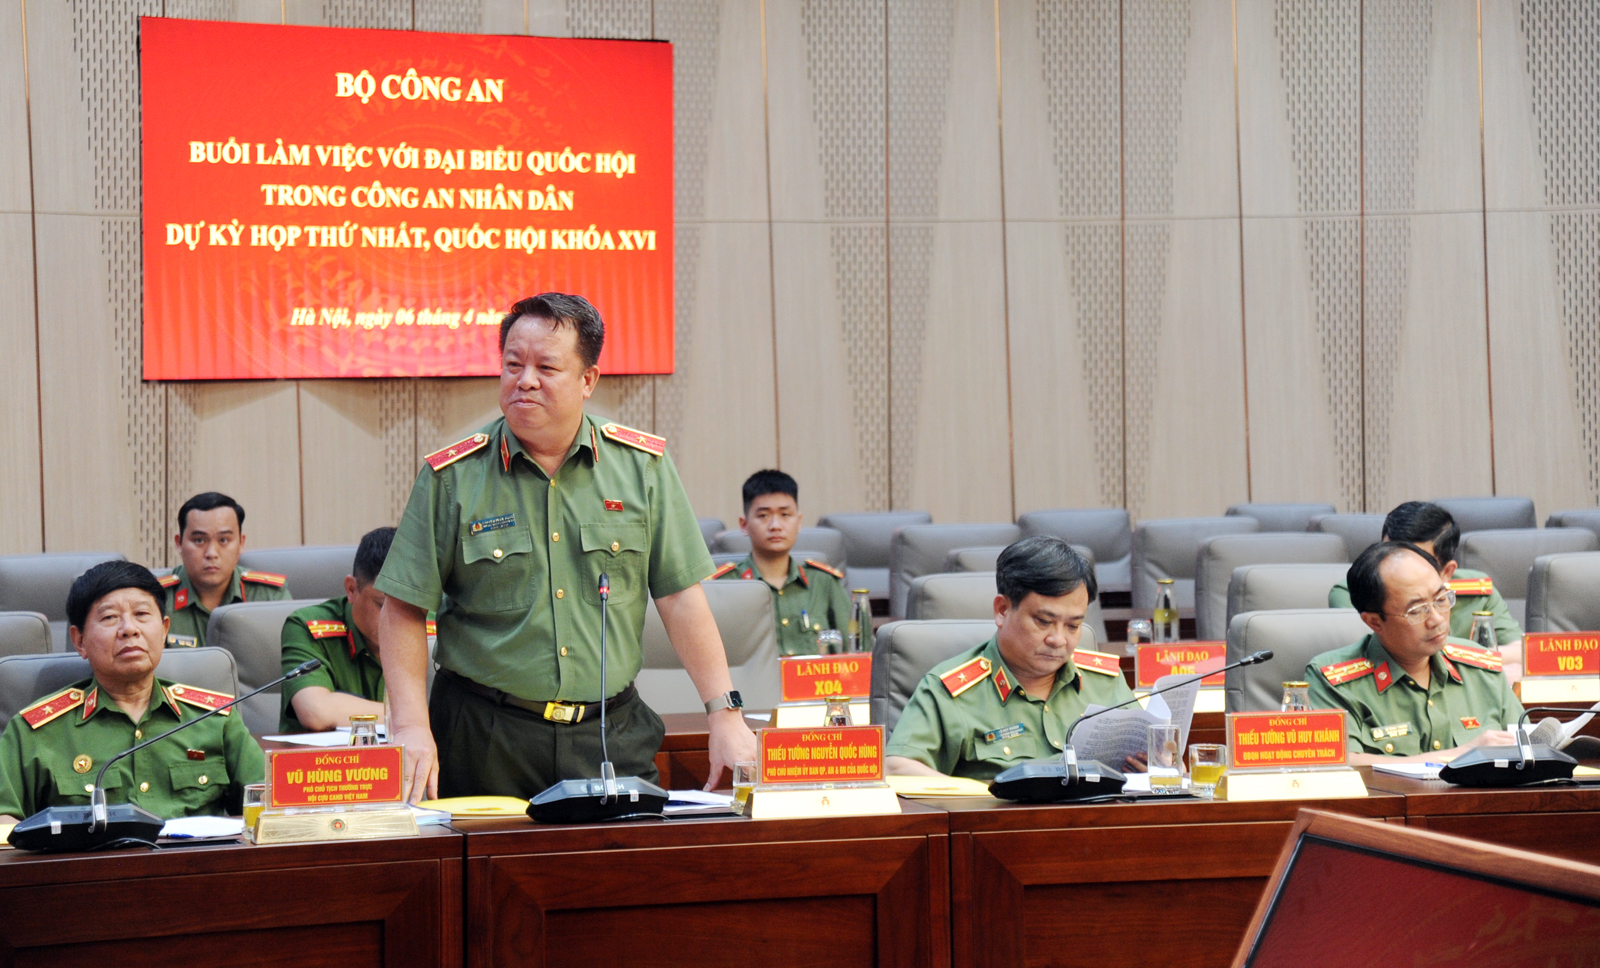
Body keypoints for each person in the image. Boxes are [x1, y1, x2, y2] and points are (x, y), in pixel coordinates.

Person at [375, 292, 756, 802]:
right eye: (513, 364)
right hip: (484, 735)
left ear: (587, 380)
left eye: (546, 366)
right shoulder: (453, 477)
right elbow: (401, 609)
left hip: (608, 731)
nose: (524, 380)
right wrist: (410, 726)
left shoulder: (641, 468)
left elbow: (680, 598)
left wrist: (725, 714)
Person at [0, 561, 265, 822]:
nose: (129, 629)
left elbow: (270, 802)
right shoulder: (36, 732)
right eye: (109, 617)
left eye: (141, 614)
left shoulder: (214, 719)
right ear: (79, 641)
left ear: (163, 631)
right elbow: (4, 823)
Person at [885, 536, 1135, 781]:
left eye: (1072, 626)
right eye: (1044, 622)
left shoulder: (1104, 681)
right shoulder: (951, 692)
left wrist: (1156, 760)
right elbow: (898, 768)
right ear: (1003, 610)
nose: (1058, 639)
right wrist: (992, 799)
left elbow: (1149, 745)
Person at [1308, 542, 1523, 765]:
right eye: (1417, 611)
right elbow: (1341, 762)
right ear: (1373, 621)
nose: (1437, 619)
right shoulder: (1334, 681)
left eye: (1441, 600)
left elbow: (1525, 747)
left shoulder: (1480, 667)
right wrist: (1461, 755)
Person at [1328, 501, 1523, 679]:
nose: (1399, 565)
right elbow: (1382, 653)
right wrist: (1481, 661)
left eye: (1417, 560)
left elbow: (1522, 653)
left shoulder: (1477, 587)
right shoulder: (1358, 592)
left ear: (1447, 572)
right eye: (1390, 552)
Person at [712, 469, 851, 656]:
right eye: (763, 516)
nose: (775, 525)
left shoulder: (824, 582)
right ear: (744, 524)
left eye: (785, 515)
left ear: (799, 521)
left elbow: (853, 653)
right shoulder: (723, 587)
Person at [278, 527, 396, 732]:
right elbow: (316, 711)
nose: (398, 621)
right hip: (327, 763)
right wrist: (414, 716)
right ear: (352, 589)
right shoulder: (307, 627)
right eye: (382, 605)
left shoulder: (432, 627)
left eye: (409, 608)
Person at [161, 492, 293, 648]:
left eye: (223, 540)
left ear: (241, 543)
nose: (211, 553)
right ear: (179, 543)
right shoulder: (157, 598)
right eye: (199, 540)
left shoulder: (269, 596)